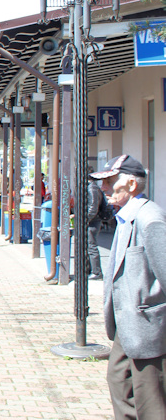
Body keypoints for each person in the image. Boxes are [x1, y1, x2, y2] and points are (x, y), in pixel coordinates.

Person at [91, 155, 166, 419]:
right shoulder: (125, 218)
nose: (105, 189)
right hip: (127, 324)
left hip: (148, 328)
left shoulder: (150, 219)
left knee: (150, 400)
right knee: (119, 383)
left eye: (111, 182)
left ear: (132, 184)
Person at [86, 176, 105, 280]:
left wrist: (86, 219)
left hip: (93, 221)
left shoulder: (92, 188)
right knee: (89, 245)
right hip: (92, 220)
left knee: (91, 245)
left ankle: (96, 272)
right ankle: (91, 269)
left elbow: (93, 206)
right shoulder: (92, 187)